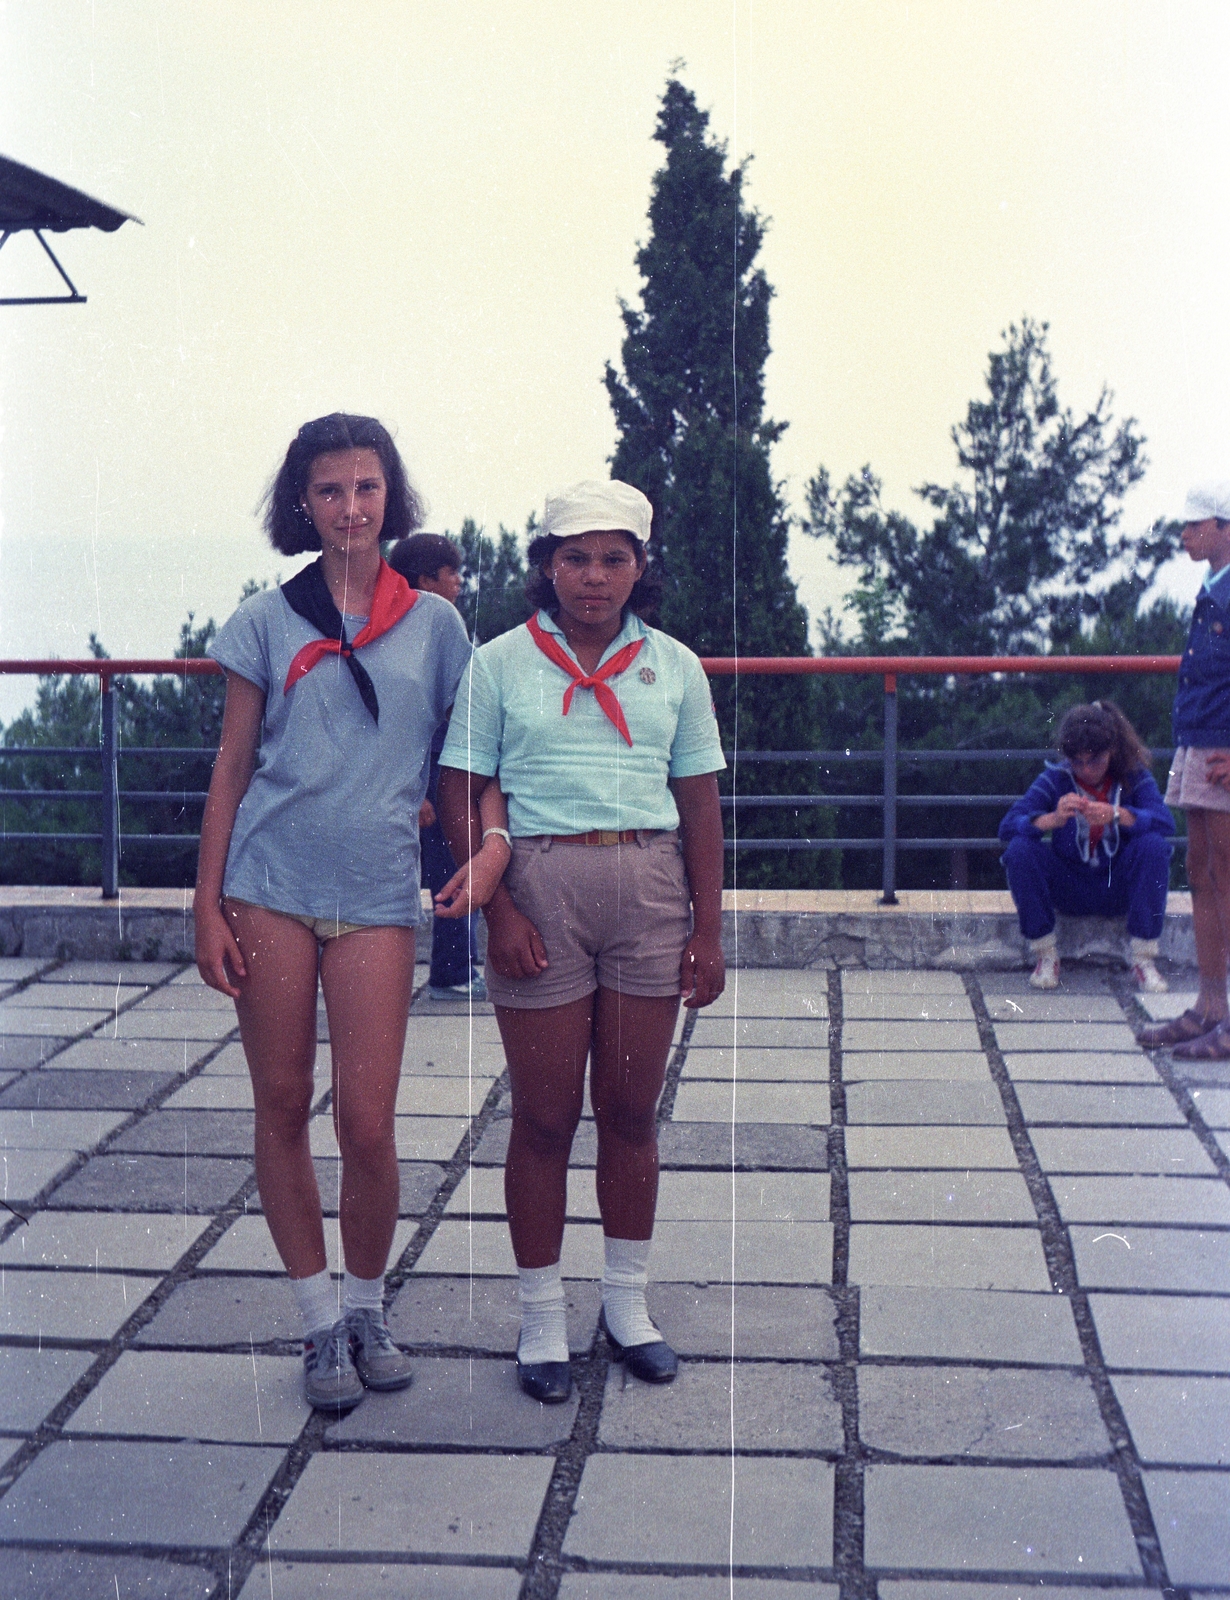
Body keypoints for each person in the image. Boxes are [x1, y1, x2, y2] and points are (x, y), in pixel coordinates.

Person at [193, 413, 497, 1414]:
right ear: (303, 503)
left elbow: (461, 765)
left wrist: (484, 856)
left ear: (390, 496)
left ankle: (368, 1307)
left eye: (368, 488)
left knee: (367, 1123)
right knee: (281, 1105)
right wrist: (205, 902)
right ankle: (319, 1320)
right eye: (331, 490)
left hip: (374, 892)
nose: (351, 507)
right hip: (267, 884)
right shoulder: (264, 620)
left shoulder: (439, 624)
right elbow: (233, 768)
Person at [437, 480, 726, 1405]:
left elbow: (700, 806)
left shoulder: (675, 666)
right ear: (546, 567)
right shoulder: (498, 663)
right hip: (539, 888)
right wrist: (499, 911)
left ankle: (627, 1306)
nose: (593, 577)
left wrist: (709, 931)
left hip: (647, 886)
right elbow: (459, 788)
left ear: (640, 567)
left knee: (633, 1115)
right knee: (545, 1117)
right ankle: (538, 1316)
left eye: (613, 558)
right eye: (574, 558)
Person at [1140, 481, 1230, 1057]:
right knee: (1201, 870)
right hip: (1200, 742)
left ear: (1224, 526)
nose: (1184, 535)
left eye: (1194, 526)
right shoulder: (1212, 583)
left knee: (1226, 875)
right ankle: (1209, 1006)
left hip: (1223, 750)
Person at [999, 701, 1175, 991]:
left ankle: (1143, 960)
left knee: (1153, 846)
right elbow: (1007, 826)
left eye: (1094, 760)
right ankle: (1046, 955)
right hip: (1069, 885)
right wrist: (1050, 819)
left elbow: (1165, 822)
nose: (1085, 769)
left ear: (1112, 751)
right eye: (1076, 761)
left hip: (1116, 885)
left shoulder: (1133, 777)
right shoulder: (1056, 778)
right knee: (1020, 850)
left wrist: (1119, 815)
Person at [388, 533, 486, 1001]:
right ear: (427, 579)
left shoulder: (429, 627)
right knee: (451, 875)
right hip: (428, 786)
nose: (460, 583)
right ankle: (452, 973)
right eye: (453, 574)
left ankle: (459, 966)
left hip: (441, 781)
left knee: (454, 870)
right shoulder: (420, 633)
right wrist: (423, 792)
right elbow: (413, 720)